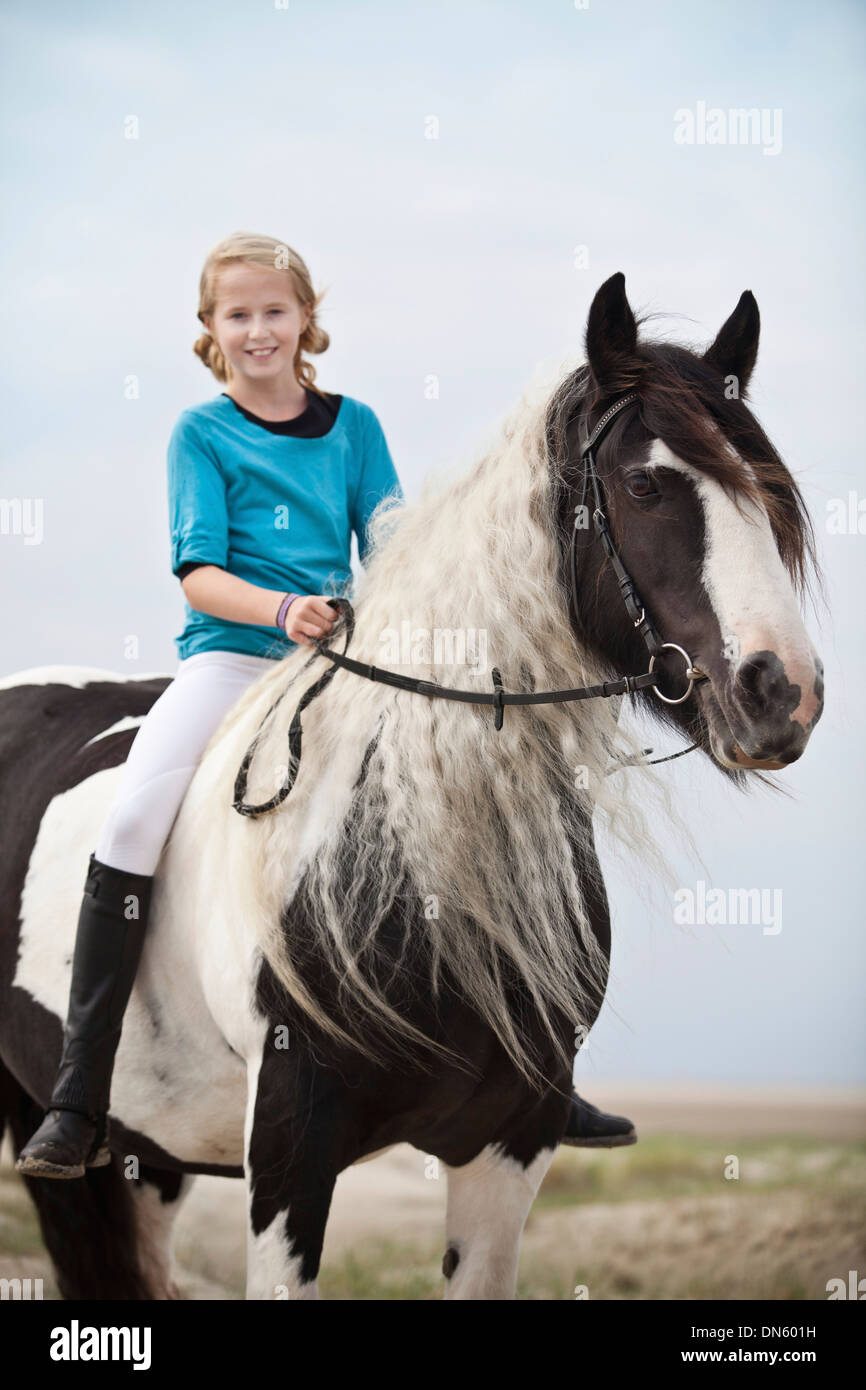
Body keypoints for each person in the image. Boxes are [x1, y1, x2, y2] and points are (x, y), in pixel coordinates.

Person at [17, 230, 633, 1180]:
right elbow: (198, 576)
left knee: (504, 778)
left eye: (274, 311)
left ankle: (535, 1069)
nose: (257, 330)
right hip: (231, 661)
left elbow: (390, 549)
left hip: (347, 662)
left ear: (307, 319)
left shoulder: (356, 427)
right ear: (211, 330)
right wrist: (283, 610)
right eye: (238, 315)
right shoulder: (201, 433)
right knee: (134, 815)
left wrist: (385, 617)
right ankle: (79, 1090)